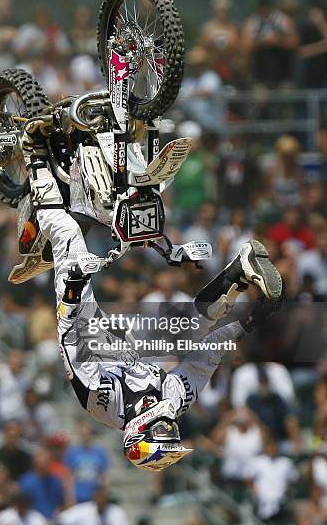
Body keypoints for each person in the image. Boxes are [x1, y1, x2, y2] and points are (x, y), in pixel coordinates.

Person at [15, 118, 283, 473]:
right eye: (172, 433)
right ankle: (238, 270)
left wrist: (75, 289)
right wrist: (249, 322)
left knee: (68, 236)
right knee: (187, 334)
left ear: (137, 434)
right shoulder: (173, 401)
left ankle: (34, 154)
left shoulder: (100, 400)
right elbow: (207, 354)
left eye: (164, 433)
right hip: (136, 337)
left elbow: (68, 339)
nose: (172, 427)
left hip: (86, 327)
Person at [64, 421, 109, 504]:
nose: (85, 436)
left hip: (94, 497)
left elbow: (103, 477)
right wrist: (70, 498)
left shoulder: (100, 452)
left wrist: (103, 495)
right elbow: (69, 477)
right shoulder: (72, 452)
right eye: (83, 434)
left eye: (87, 433)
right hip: (78, 496)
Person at [57, 486, 130, 525]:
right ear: (94, 498)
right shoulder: (82, 511)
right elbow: (59, 523)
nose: (101, 501)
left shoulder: (117, 514)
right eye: (99, 498)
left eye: (103, 498)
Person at [18, 445, 64, 519]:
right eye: (40, 458)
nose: (43, 461)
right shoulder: (25, 481)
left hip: (52, 520)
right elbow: (22, 507)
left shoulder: (56, 481)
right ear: (34, 461)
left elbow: (59, 505)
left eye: (46, 459)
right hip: (31, 520)